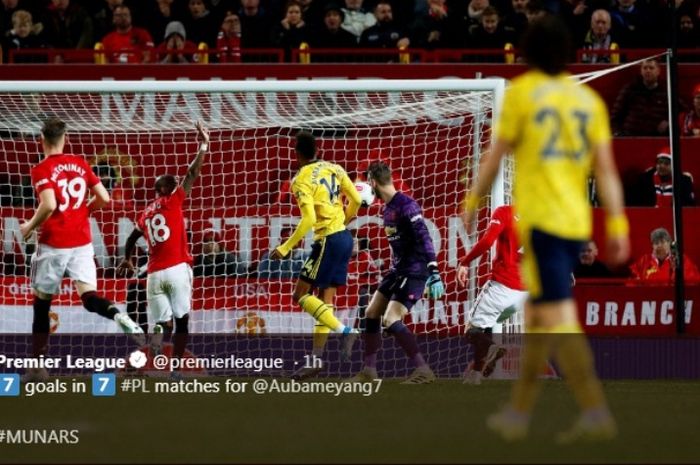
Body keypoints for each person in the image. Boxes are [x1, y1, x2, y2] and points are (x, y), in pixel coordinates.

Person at [461, 17, 630, 442]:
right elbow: (606, 171)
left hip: (539, 223)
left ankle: (590, 407)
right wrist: (616, 223)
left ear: (529, 53)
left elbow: (495, 157)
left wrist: (472, 203)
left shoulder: (522, 96)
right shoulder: (588, 102)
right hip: (571, 223)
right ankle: (529, 410)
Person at [21, 117, 144, 381]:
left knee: (42, 305)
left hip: (54, 244)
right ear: (65, 139)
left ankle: (38, 368)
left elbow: (49, 205)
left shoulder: (41, 169)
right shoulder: (79, 163)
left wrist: (28, 226)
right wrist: (83, 210)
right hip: (82, 243)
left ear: (41, 140)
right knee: (89, 298)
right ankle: (116, 314)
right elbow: (105, 197)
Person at [268, 130, 362, 379]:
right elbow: (356, 199)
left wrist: (285, 247)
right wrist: (346, 217)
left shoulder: (301, 180)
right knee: (325, 301)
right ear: (317, 150)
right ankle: (316, 360)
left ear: (297, 153)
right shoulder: (335, 168)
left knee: (299, 294)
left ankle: (345, 332)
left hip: (328, 241)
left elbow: (308, 219)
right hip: (344, 237)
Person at [117, 122, 209, 373]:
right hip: (177, 268)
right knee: (182, 321)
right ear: (169, 189)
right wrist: (203, 145)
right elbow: (191, 174)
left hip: (154, 274)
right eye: (175, 183)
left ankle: (152, 360)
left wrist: (127, 259)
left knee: (161, 323)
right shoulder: (173, 201)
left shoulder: (145, 213)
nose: (179, 184)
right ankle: (176, 370)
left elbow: (131, 238)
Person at [346, 161, 445, 384]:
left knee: (391, 318)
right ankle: (369, 371)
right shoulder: (386, 208)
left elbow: (425, 238)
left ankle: (424, 369)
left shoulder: (406, 205)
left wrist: (434, 273)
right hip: (396, 271)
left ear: (372, 181)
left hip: (414, 271)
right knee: (372, 313)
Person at [457, 205, 527, 385]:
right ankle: (476, 376)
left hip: (503, 285)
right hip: (524, 294)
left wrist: (465, 262)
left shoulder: (505, 212)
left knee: (472, 330)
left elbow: (488, 242)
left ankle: (492, 349)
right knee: (483, 328)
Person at [610, 59, 669, 137]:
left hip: (656, 138)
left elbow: (682, 112)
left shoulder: (666, 91)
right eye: (645, 68)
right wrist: (618, 134)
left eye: (651, 68)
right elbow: (615, 116)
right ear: (641, 71)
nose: (648, 71)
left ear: (658, 71)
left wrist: (669, 123)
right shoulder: (630, 89)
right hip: (630, 137)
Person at [627, 147, 696, 207]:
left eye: (666, 163)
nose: (662, 166)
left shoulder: (684, 181)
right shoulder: (645, 180)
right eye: (659, 162)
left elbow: (689, 207)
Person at [630, 227, 700, 282]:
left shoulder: (680, 259)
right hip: (649, 298)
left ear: (669, 243)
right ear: (652, 246)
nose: (660, 245)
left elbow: (693, 280)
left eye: (663, 242)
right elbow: (633, 279)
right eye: (656, 243)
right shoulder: (645, 260)